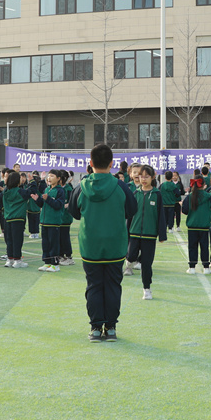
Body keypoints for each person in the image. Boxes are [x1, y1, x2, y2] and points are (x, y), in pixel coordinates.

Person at [67, 144, 137, 342]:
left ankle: (96, 328)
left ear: (90, 163)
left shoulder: (81, 187)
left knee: (94, 285)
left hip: (90, 246)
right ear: (112, 164)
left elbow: (73, 213)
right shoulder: (121, 186)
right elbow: (132, 210)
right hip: (115, 245)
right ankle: (111, 328)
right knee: (114, 285)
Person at [125, 165, 165, 300]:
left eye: (146, 176)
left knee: (147, 264)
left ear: (153, 177)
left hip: (150, 235)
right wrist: (127, 231)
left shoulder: (157, 195)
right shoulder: (135, 194)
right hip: (134, 233)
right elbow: (129, 214)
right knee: (130, 256)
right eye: (141, 176)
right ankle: (128, 263)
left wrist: (161, 234)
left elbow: (161, 215)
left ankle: (146, 289)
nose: (143, 179)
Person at [183, 174, 211, 274]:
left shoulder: (189, 197)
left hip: (192, 226)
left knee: (192, 247)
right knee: (204, 247)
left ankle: (192, 267)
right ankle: (206, 267)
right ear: (204, 185)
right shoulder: (208, 196)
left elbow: (184, 210)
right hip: (204, 227)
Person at [0, 171, 29, 267]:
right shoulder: (20, 192)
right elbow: (31, 192)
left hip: (7, 219)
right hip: (18, 219)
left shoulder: (5, 191)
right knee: (17, 240)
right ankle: (17, 260)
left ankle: (9, 259)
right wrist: (32, 181)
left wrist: (3, 210)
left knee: (9, 240)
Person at [38, 170, 66, 272]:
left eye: (52, 176)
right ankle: (47, 262)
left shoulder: (60, 191)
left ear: (58, 178)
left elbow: (58, 205)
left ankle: (55, 264)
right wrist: (37, 199)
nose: (49, 178)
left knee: (53, 243)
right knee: (45, 243)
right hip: (44, 221)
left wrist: (48, 199)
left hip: (54, 222)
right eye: (48, 176)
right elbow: (42, 204)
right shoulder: (47, 189)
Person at [58, 170, 75, 265]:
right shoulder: (56, 188)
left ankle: (69, 256)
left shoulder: (68, 189)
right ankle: (60, 255)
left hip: (65, 218)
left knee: (65, 237)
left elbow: (72, 202)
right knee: (59, 237)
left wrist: (66, 205)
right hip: (58, 218)